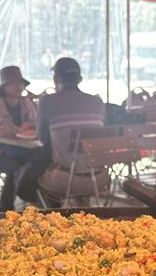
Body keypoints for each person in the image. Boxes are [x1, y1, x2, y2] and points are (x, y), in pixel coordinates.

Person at [33, 57, 106, 203]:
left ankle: (53, 217)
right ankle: (81, 212)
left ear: (55, 78)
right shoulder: (97, 102)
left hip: (64, 180)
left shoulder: (47, 101)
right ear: (80, 79)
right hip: (100, 178)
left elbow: (41, 139)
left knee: (29, 178)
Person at [0, 65, 38, 211]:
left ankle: (33, 200)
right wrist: (14, 130)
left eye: (20, 82)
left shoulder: (26, 103)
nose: (18, 86)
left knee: (35, 166)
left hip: (24, 149)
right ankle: (5, 208)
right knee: (15, 169)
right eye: (13, 83)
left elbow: (36, 124)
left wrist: (30, 127)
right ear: (4, 86)